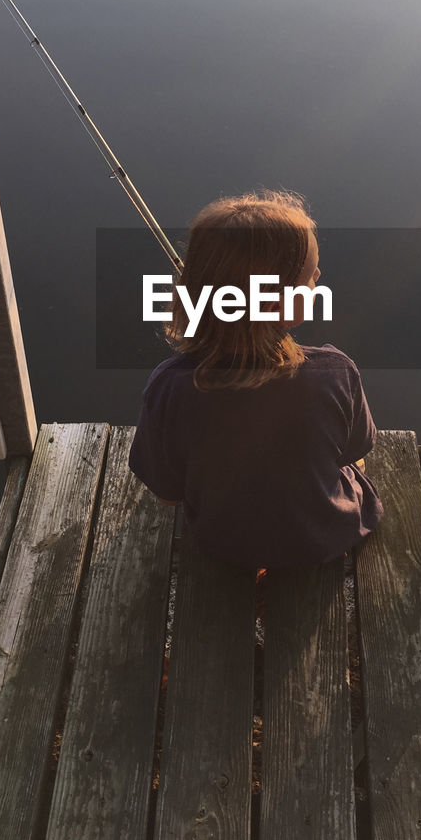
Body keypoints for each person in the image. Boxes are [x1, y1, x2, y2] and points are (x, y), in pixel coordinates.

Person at [128, 188, 384, 569]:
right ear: (280, 302)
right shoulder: (336, 371)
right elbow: (355, 451)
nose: (319, 276)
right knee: (353, 468)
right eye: (309, 275)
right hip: (324, 541)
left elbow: (168, 496)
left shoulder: (169, 386)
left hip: (223, 548)